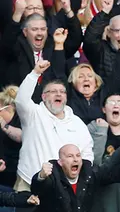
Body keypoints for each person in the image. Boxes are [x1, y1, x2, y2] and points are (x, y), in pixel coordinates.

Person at [15, 60, 94, 191]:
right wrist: (35, 73)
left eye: (62, 92)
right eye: (53, 91)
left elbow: (87, 153)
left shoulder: (77, 122)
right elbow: (21, 99)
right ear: (43, 96)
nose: (58, 94)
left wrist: (79, 178)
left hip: (64, 188)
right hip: (29, 182)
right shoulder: (33, 114)